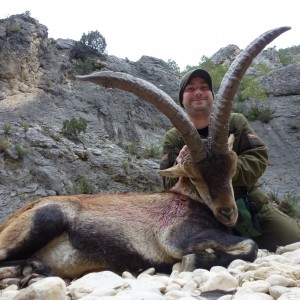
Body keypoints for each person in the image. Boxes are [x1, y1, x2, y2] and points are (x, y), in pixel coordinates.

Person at [160, 68, 300, 252]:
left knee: (294, 241)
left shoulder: (235, 122)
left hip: (250, 206)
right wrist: (182, 168)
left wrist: (224, 169)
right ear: (182, 99)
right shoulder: (174, 138)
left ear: (212, 95)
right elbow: (167, 183)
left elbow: (258, 156)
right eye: (190, 89)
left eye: (204, 87)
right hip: (200, 214)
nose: (198, 92)